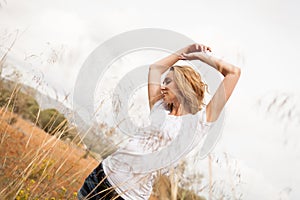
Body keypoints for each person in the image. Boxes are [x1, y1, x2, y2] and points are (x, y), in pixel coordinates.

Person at [78, 43, 241, 200]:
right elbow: (155, 69)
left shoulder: (199, 122)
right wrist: (185, 51)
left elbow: (233, 73)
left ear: (184, 86)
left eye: (168, 82)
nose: (162, 86)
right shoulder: (160, 108)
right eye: (163, 81)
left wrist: (200, 57)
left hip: (128, 195)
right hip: (101, 175)